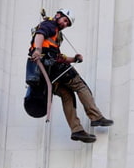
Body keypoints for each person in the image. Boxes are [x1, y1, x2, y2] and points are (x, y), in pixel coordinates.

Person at [29, 9, 113, 143]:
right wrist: (38, 50)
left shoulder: (55, 34)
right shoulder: (50, 25)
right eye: (64, 20)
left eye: (67, 23)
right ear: (58, 16)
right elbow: (40, 35)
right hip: (52, 68)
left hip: (47, 74)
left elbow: (58, 56)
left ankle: (77, 130)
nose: (64, 24)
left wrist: (73, 59)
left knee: (67, 95)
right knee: (80, 85)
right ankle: (96, 117)